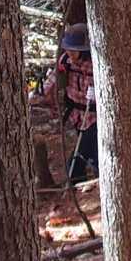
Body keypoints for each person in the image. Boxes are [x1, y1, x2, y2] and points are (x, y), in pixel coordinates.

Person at [32, 22, 98, 183]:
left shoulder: (95, 64)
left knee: (82, 156)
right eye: (68, 49)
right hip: (76, 116)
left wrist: (97, 94)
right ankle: (85, 180)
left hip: (94, 117)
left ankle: (80, 180)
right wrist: (36, 96)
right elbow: (52, 80)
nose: (70, 53)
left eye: (73, 50)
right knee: (90, 152)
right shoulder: (65, 61)